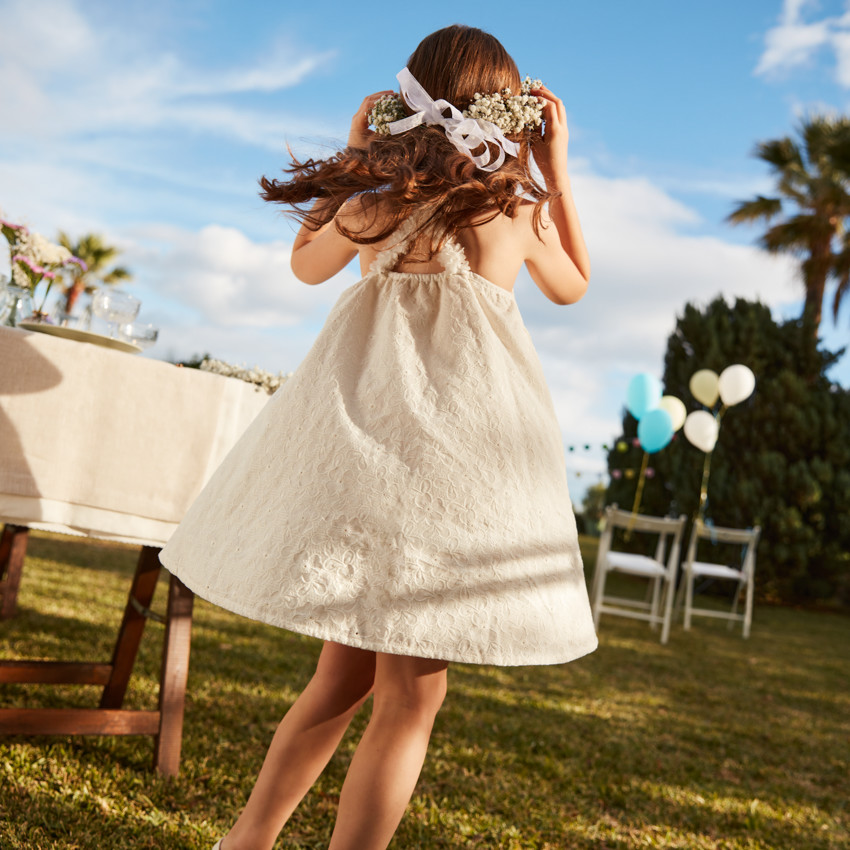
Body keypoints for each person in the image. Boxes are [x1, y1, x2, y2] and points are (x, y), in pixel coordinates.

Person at [160, 23, 597, 850]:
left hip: (366, 464)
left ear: (408, 99)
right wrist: (556, 172)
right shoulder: (515, 206)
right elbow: (574, 287)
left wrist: (358, 155)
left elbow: (304, 265)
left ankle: (245, 842)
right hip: (454, 482)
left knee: (340, 678)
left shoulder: (374, 204)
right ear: (510, 110)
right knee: (412, 699)